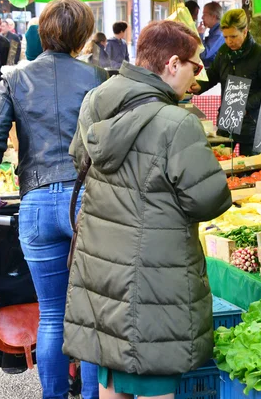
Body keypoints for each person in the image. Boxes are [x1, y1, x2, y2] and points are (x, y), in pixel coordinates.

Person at [62, 20, 232, 399]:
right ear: (173, 64)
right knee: (153, 374)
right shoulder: (177, 123)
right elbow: (209, 199)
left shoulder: (95, 100)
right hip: (156, 273)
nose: (196, 77)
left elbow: (80, 160)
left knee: (113, 372)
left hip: (101, 265)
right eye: (196, 66)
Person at [0, 0, 108, 398]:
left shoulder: (15, 79)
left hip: (36, 202)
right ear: (82, 35)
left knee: (51, 315)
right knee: (91, 316)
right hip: (88, 203)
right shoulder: (98, 76)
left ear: (42, 32)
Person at [191, 9, 261, 155]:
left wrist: (245, 105)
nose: (229, 41)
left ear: (245, 31)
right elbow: (214, 73)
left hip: (251, 123)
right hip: (228, 119)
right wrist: (200, 85)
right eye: (225, 37)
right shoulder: (224, 51)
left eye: (233, 36)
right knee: (220, 163)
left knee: (251, 169)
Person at [197, 1, 224, 68]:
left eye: (204, 14)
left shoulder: (219, 33)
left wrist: (200, 34)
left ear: (213, 16)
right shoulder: (214, 31)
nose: (202, 17)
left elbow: (204, 54)